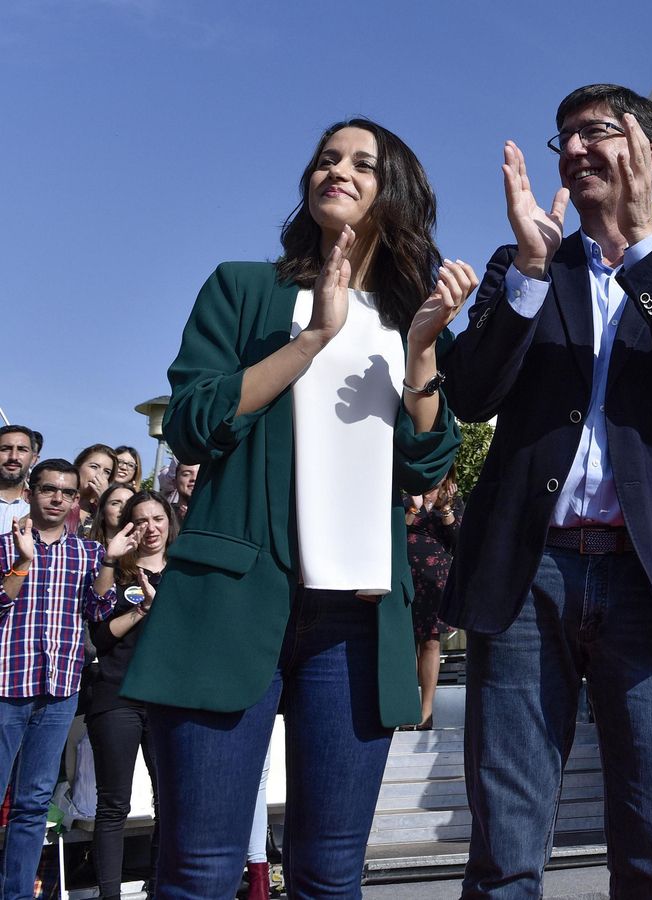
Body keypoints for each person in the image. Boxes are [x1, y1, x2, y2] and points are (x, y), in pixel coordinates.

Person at [120, 118, 468, 896]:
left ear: (396, 192)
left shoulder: (410, 317)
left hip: (357, 624)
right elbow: (191, 423)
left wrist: (420, 355)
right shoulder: (244, 288)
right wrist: (311, 339)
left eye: (361, 163)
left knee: (331, 873)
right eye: (325, 158)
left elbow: (428, 464)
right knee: (200, 869)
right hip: (230, 603)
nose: (336, 170)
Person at [440, 84, 652, 898]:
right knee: (505, 851)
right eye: (563, 138)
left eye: (594, 132)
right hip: (530, 572)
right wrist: (534, 271)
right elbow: (470, 394)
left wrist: (641, 245)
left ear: (649, 153)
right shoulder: (526, 265)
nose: (573, 149)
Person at [0, 459, 128, 897]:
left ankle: (16, 893)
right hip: (6, 685)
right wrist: (22, 563)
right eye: (48, 489)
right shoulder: (4, 544)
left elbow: (98, 613)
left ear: (76, 500)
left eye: (66, 492)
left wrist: (110, 561)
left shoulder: (89, 553)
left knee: (33, 804)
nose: (57, 498)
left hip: (60, 691)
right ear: (32, 491)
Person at [86, 490, 174, 899]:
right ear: (130, 526)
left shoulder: (184, 570)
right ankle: (109, 895)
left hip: (166, 698)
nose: (151, 528)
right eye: (141, 520)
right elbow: (99, 634)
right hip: (117, 695)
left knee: (170, 802)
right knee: (113, 805)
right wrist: (142, 610)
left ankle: (158, 887)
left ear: (169, 521)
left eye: (158, 518)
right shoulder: (115, 571)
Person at [404, 467, 460, 730]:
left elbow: (459, 543)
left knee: (430, 642)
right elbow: (391, 531)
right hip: (402, 578)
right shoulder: (404, 495)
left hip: (434, 579)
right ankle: (404, 708)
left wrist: (447, 510)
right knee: (403, 643)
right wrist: (414, 508)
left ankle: (426, 713)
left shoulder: (451, 500)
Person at [0, 424, 37, 532]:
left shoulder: (42, 508)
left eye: (22, 449)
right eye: (5, 449)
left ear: (34, 458)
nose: (13, 457)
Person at [74, 443, 118, 532]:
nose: (99, 475)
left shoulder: (100, 512)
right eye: (94, 467)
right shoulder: (61, 501)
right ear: (78, 467)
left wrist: (105, 499)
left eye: (107, 472)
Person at [85, 481, 136, 547]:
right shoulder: (85, 548)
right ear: (102, 511)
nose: (123, 508)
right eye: (115, 503)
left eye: (130, 503)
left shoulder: (145, 550)